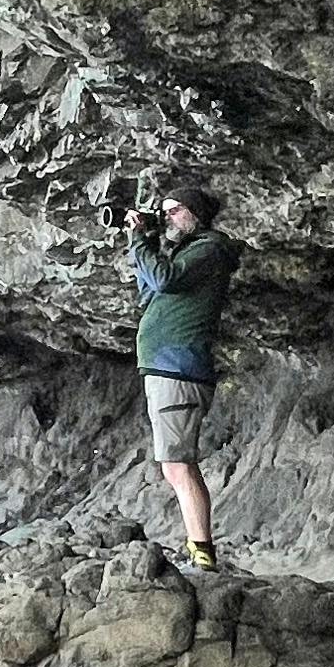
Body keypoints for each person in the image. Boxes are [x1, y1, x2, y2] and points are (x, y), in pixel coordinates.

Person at [129, 183, 237, 572]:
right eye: (164, 211)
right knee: (174, 465)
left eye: (175, 210)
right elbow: (148, 292)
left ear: (196, 214)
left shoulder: (210, 249)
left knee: (177, 465)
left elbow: (165, 281)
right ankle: (198, 548)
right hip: (164, 367)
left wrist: (140, 240)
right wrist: (149, 246)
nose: (167, 217)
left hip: (178, 368)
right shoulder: (185, 253)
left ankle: (202, 552)